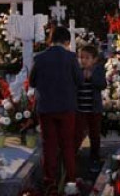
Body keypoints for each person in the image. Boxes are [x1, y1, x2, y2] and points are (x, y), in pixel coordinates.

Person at [30, 26, 83, 191]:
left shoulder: (40, 57)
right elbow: (79, 80)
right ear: (67, 41)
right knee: (67, 144)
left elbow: (32, 81)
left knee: (49, 145)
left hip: (46, 107)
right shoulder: (71, 57)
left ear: (50, 40)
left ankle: (50, 181)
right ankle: (71, 180)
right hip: (66, 107)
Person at [74, 44, 107, 171]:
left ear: (94, 59)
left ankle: (94, 157)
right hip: (80, 109)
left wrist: (91, 77)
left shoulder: (98, 69)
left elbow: (102, 84)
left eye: (87, 58)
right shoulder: (77, 70)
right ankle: (73, 156)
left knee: (94, 135)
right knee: (77, 134)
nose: (83, 60)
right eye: (81, 57)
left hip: (93, 110)